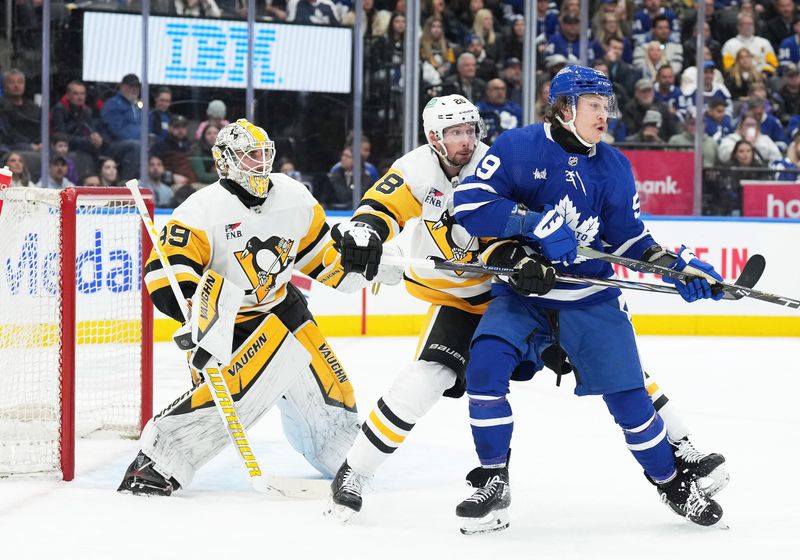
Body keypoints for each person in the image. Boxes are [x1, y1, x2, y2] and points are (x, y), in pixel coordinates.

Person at [325, 93, 728, 525]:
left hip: (520, 292)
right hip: (461, 299)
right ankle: (357, 472)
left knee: (623, 374)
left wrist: (520, 259)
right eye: (453, 133)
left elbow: (519, 221)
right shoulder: (416, 169)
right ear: (433, 138)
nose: (464, 141)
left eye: (469, 131)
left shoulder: (495, 158)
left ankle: (680, 448)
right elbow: (379, 208)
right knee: (426, 379)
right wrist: (365, 232)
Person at [450, 65, 727, 534]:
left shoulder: (614, 165)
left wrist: (673, 264)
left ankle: (669, 480)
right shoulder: (518, 148)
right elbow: (470, 205)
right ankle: (494, 477)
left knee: (631, 400)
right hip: (525, 294)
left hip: (590, 296)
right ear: (563, 108)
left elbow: (627, 239)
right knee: (484, 368)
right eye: (594, 106)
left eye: (606, 106)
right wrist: (532, 224)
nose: (605, 116)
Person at [117, 118, 396, 496]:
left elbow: (320, 256)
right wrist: (189, 307)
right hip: (226, 318)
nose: (260, 163)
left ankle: (340, 454)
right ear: (226, 162)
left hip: (282, 307)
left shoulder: (294, 196)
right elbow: (165, 271)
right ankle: (158, 461)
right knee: (232, 396)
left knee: (331, 387)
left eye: (264, 154)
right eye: (250, 156)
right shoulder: (200, 210)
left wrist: (366, 269)